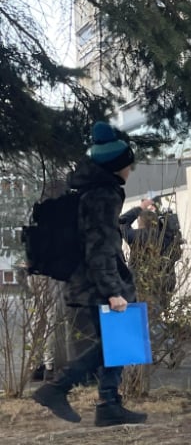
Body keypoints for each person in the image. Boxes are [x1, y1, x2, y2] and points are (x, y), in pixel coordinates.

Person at [31, 121, 148, 427]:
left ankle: (109, 404)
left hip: (88, 280)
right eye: (128, 165)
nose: (130, 170)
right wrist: (113, 290)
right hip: (98, 283)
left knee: (118, 342)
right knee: (117, 342)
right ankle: (58, 388)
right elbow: (99, 247)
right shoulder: (103, 196)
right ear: (115, 166)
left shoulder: (93, 190)